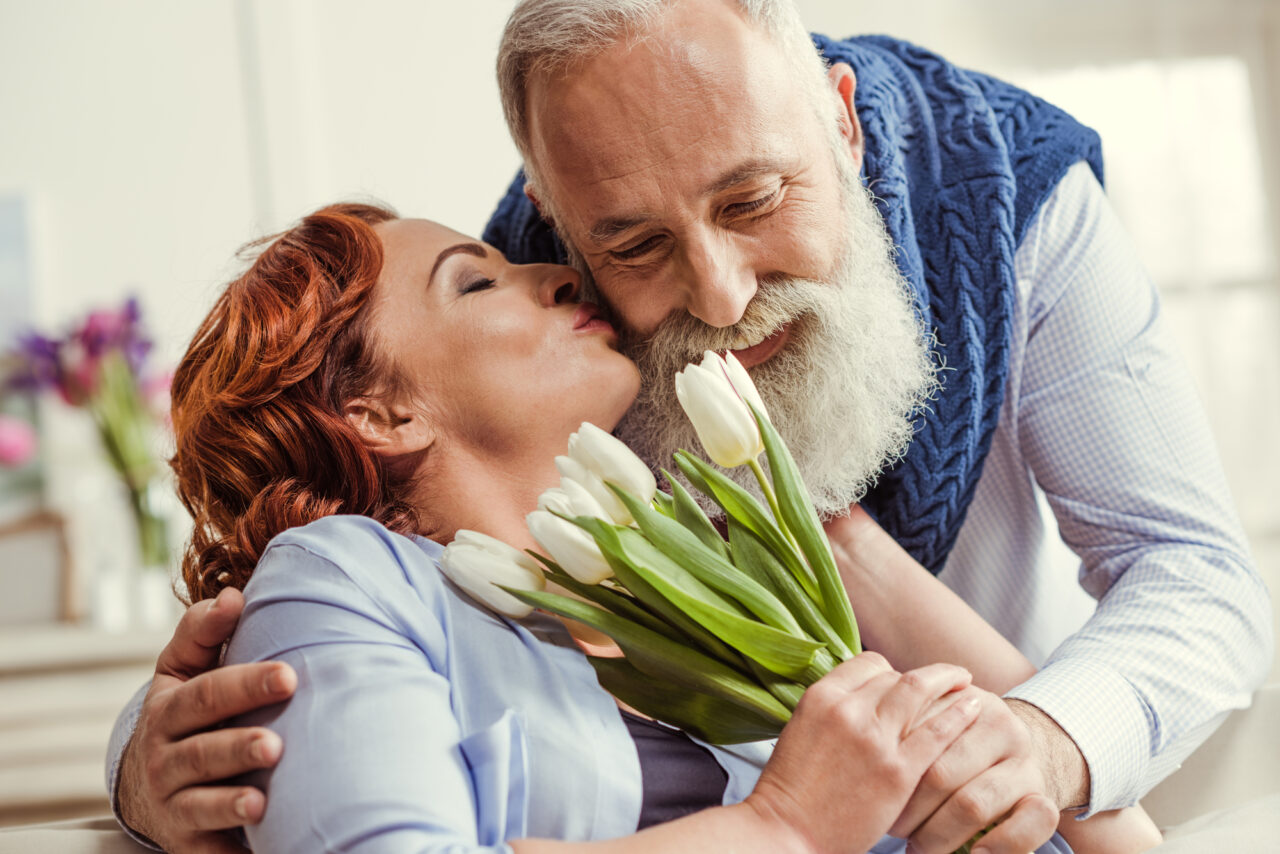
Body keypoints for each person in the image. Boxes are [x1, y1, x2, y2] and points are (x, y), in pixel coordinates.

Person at [108, 0, 1270, 850]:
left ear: (840, 121)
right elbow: (364, 547)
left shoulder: (1018, 195)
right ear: (562, 225)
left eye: (753, 199)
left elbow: (1195, 578)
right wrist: (144, 763)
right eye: (630, 247)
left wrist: (1048, 740)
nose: (715, 301)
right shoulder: (558, 309)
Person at [124, 200, 1083, 854]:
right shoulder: (344, 578)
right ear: (378, 413)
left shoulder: (687, 577)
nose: (557, 274)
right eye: (476, 282)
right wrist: (782, 827)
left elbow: (1082, 808)